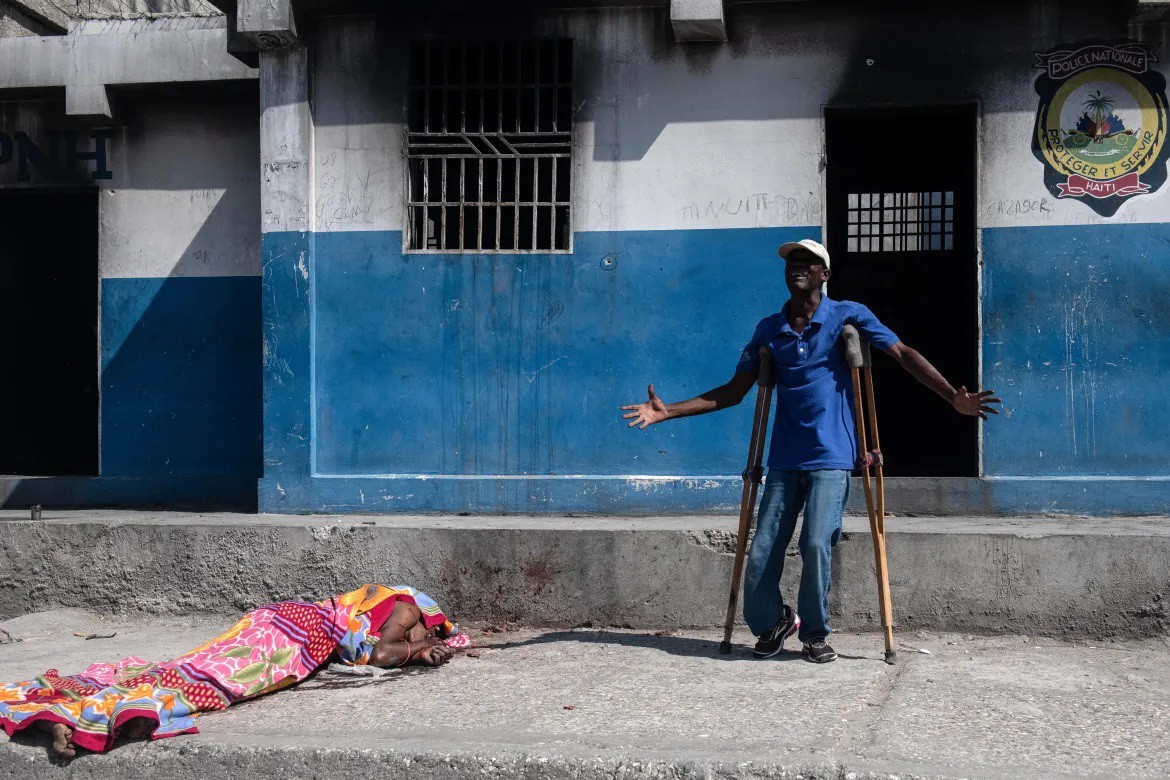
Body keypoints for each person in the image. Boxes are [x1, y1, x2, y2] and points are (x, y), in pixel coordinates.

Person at [621, 239, 999, 664]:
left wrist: (952, 397)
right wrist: (667, 411)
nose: (797, 267)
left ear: (825, 274)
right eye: (791, 263)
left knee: (816, 544)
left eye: (808, 262)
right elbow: (734, 391)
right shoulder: (769, 328)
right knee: (763, 549)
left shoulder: (847, 315)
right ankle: (772, 622)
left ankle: (815, 633)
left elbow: (902, 353)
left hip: (833, 457)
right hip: (784, 458)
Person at [0, 584, 466, 758]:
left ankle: (86, 707)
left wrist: (421, 649)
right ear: (430, 614)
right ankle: (104, 715)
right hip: (298, 633)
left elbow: (375, 648)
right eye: (438, 630)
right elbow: (383, 655)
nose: (436, 638)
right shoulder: (408, 607)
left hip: (281, 622)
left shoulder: (378, 606)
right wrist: (421, 648)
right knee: (225, 680)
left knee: (195, 667)